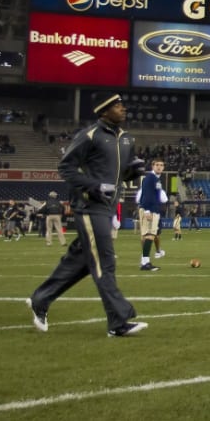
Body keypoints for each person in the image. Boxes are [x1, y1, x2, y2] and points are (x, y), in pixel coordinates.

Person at [27, 92, 149, 337]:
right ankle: (118, 322)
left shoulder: (126, 139)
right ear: (104, 111)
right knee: (105, 262)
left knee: (81, 262)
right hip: (89, 207)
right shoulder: (89, 135)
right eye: (117, 105)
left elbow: (119, 175)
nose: (123, 108)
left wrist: (132, 172)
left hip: (107, 207)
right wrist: (93, 187)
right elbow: (66, 168)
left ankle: (41, 299)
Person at [135, 158, 167, 271]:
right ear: (152, 166)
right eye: (157, 165)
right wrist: (147, 210)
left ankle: (144, 261)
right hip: (150, 210)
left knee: (147, 236)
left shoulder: (156, 179)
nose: (159, 167)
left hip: (153, 209)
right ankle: (145, 263)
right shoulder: (150, 178)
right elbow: (147, 195)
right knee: (149, 235)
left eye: (161, 165)